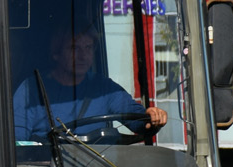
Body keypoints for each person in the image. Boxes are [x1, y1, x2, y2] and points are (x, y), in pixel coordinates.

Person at [13, 25, 167, 144]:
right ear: (56, 53)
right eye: (74, 48)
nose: (83, 56)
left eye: (88, 48)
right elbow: (18, 141)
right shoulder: (31, 90)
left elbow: (138, 122)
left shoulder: (104, 88)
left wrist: (152, 118)